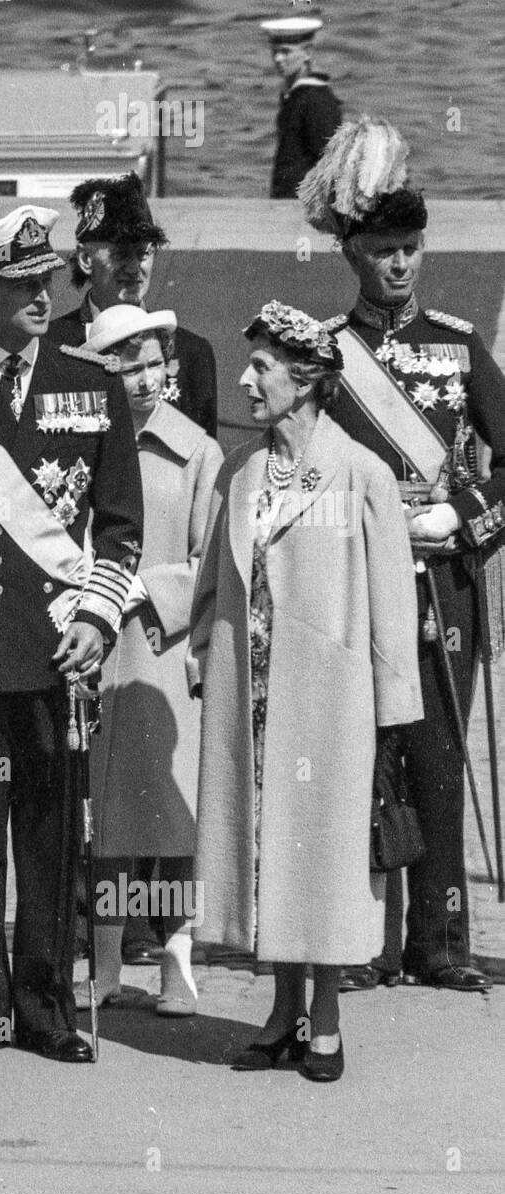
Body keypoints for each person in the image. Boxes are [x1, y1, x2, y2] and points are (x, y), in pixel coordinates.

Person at [0, 206, 144, 1065]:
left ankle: (45, 1006)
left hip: (55, 651)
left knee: (51, 841)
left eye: (47, 281)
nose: (41, 296)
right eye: (20, 284)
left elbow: (120, 527)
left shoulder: (94, 385)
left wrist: (95, 615)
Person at [188, 302, 422, 1082]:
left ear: (308, 378)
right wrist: (200, 653)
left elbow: (394, 599)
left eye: (263, 367)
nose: (248, 379)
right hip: (249, 692)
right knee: (264, 856)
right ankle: (282, 1013)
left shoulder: (362, 473)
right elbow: (213, 583)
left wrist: (393, 712)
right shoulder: (242, 470)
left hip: (331, 703)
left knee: (320, 855)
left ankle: (326, 1018)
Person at [299, 116, 505, 993]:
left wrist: (461, 518)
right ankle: (352, 939)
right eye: (386, 249)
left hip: (442, 583)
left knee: (435, 758)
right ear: (353, 253)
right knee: (354, 757)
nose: (401, 265)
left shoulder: (458, 346)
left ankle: (439, 941)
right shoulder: (322, 355)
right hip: (353, 580)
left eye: (412, 248)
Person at [78, 303, 222, 1016]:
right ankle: (105, 961)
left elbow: (212, 559)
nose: (141, 379)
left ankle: (176, 959)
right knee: (105, 819)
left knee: (169, 818)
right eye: (124, 366)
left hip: (163, 652)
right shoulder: (84, 440)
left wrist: (151, 586)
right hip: (97, 647)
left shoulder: (197, 450)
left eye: (152, 363)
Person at [53, 172, 218, 441]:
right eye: (120, 254)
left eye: (143, 253)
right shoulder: (51, 348)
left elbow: (203, 461)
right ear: (85, 259)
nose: (134, 268)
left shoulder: (192, 355)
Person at [261, 16, 342, 200]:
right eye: (274, 52)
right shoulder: (296, 96)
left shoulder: (316, 100)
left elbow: (329, 161)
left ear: (307, 52)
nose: (278, 58)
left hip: (304, 207)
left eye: (286, 51)